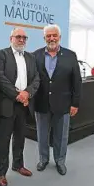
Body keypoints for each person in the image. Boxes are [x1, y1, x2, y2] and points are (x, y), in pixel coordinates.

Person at [33, 24, 82, 175]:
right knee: (42, 134)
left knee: (61, 136)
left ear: (60, 37)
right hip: (41, 103)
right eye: (48, 36)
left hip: (63, 103)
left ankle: (60, 161)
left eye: (54, 35)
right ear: (44, 38)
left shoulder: (70, 55)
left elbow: (77, 81)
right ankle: (43, 159)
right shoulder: (35, 55)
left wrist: (75, 103)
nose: (52, 38)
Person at [0, 27, 40, 186]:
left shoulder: (31, 57)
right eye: (18, 37)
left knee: (20, 137)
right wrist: (17, 95)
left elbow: (36, 79)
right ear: (11, 38)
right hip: (7, 104)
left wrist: (27, 93)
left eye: (24, 38)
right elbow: (0, 78)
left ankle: (18, 165)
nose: (21, 40)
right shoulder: (1, 55)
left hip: (24, 105)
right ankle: (1, 172)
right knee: (3, 140)